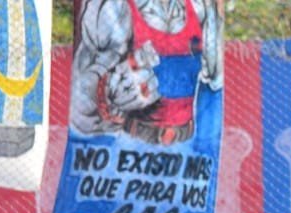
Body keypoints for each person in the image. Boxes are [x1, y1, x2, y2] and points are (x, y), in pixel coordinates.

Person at [69, 0, 222, 145]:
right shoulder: (112, 7)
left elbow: (216, 82)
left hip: (189, 150)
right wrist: (104, 92)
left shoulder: (200, 7)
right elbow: (80, 103)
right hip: (130, 148)